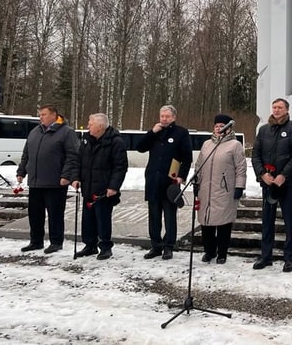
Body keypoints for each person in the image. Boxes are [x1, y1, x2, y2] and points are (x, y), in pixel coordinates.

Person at [251, 98, 292, 272]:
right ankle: (265, 256)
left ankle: (289, 258)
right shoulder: (264, 130)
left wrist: (283, 175)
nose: (276, 110)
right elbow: (255, 155)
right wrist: (262, 174)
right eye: (274, 107)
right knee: (267, 221)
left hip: (287, 184)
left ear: (287, 110)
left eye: (280, 107)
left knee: (290, 221)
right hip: (268, 183)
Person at [16, 104, 80, 254]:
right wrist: (21, 171)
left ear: (53, 115)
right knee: (35, 214)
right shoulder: (35, 132)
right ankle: (36, 241)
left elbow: (73, 156)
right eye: (40, 115)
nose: (40, 117)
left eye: (43, 114)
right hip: (36, 181)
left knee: (55, 214)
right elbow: (27, 154)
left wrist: (66, 176)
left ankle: (56, 242)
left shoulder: (66, 132)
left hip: (55, 182)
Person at [137, 104, 193, 260]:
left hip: (170, 181)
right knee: (153, 216)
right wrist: (152, 132)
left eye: (167, 116)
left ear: (174, 117)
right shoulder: (155, 132)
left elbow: (187, 157)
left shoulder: (181, 133)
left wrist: (182, 176)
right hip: (153, 180)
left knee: (169, 216)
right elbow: (140, 147)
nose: (164, 119)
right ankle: (156, 245)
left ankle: (169, 246)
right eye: (162, 116)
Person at [72, 113, 128, 260]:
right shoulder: (86, 140)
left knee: (103, 219)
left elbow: (120, 167)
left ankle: (105, 247)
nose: (88, 126)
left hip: (104, 189)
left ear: (100, 126)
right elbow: (78, 161)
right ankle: (89, 245)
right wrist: (76, 178)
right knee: (87, 219)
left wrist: (113, 186)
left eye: (91, 124)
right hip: (87, 187)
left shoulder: (115, 142)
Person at [194, 114, 247, 264]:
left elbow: (241, 168)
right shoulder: (206, 144)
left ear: (228, 128)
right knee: (206, 221)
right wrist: (197, 182)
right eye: (216, 126)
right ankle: (209, 251)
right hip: (206, 190)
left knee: (223, 223)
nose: (218, 128)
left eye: (221, 125)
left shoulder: (235, 145)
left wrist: (239, 186)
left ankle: (222, 253)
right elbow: (199, 165)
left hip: (224, 190)